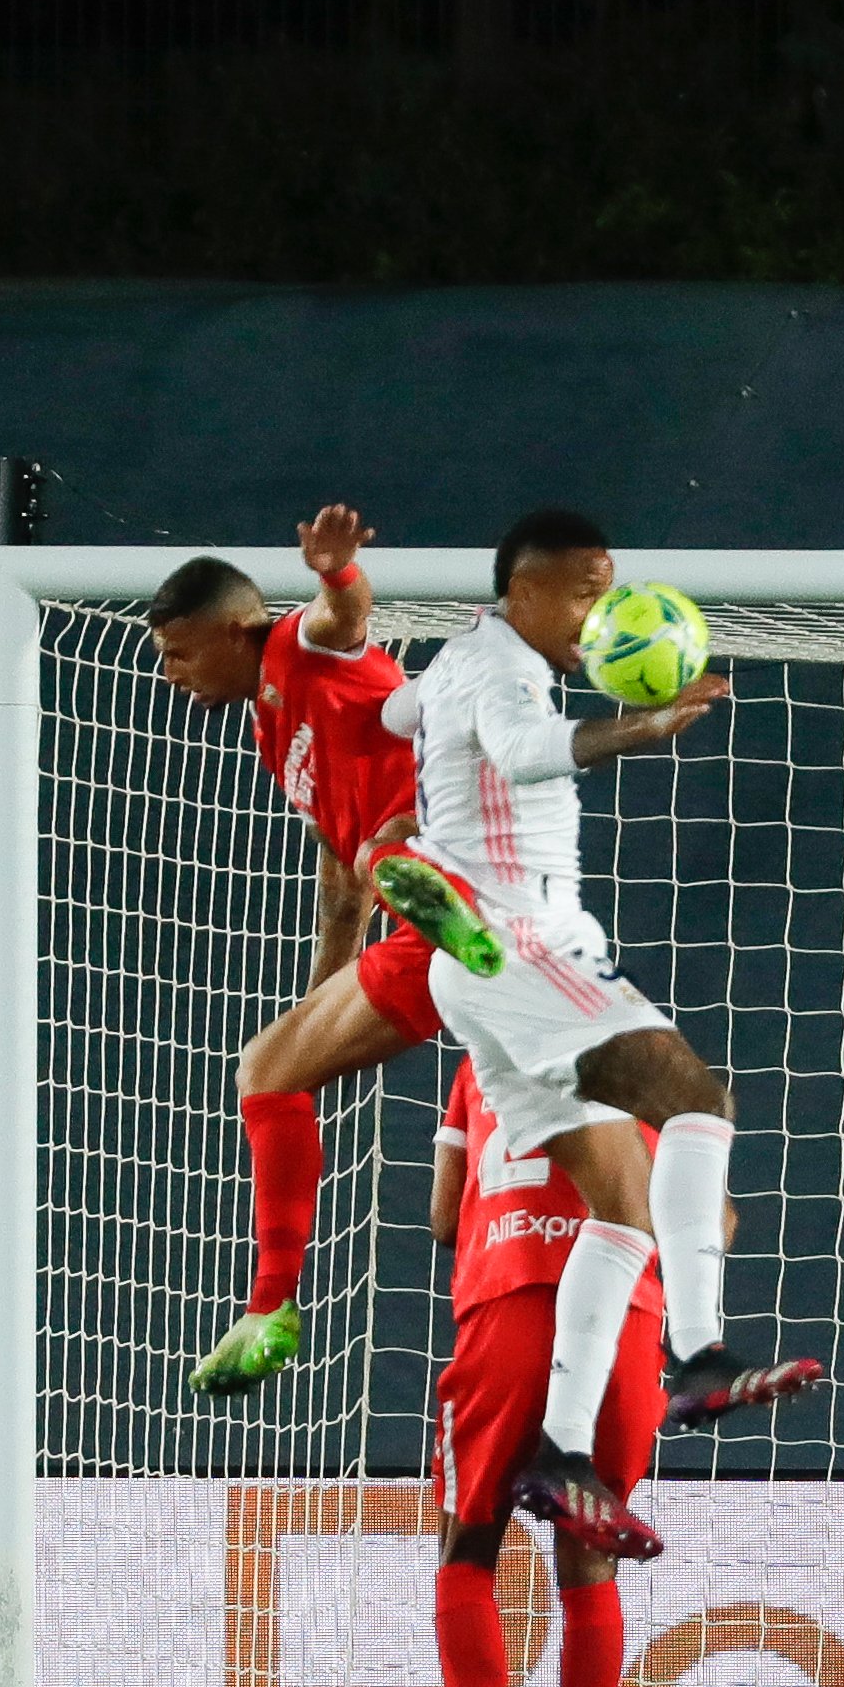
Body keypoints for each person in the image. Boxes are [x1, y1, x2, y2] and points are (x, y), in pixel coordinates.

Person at [391, 508, 820, 1559]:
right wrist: (640, 727)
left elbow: (398, 710)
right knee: (695, 1101)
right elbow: (527, 748)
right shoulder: (498, 669)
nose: (603, 609)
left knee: (619, 1207)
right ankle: (700, 1354)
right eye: (585, 588)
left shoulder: (452, 664)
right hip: (515, 941)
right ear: (523, 591)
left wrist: (395, 751)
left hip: (489, 963)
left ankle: (562, 1451)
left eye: (610, 586)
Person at [149, 505, 500, 1397]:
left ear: (237, 630)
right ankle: (270, 1309)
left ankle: (454, 906)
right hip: (413, 929)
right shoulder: (274, 728)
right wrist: (319, 1002)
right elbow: (339, 878)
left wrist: (339, 571)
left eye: (180, 653)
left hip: (470, 885)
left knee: (393, 839)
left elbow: (343, 619)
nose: (169, 673)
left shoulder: (297, 652)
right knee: (266, 1067)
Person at [424, 1056, 668, 1687]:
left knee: (468, 1542)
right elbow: (700, 1217)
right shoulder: (639, 1053)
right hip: (623, 1319)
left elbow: (440, 1214)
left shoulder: (477, 1059)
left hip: (511, 1297)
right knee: (587, 1548)